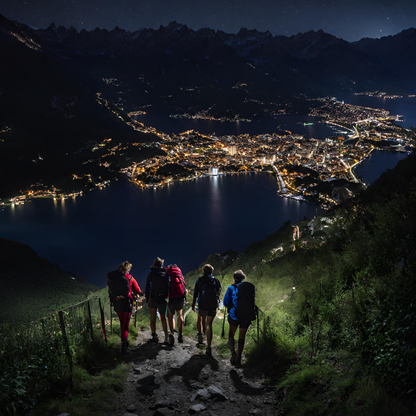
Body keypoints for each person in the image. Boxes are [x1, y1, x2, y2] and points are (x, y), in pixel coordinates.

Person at [108, 261, 142, 354]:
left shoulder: (114, 278)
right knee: (126, 323)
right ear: (128, 269)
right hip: (127, 302)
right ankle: (124, 343)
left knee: (122, 321)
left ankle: (124, 341)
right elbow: (138, 290)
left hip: (116, 302)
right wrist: (139, 294)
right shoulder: (130, 278)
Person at [222, 270, 256, 366]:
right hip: (246, 316)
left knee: (231, 336)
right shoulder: (250, 287)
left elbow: (225, 303)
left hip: (234, 315)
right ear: (243, 278)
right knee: (242, 337)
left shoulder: (231, 288)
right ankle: (239, 357)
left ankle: (233, 353)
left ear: (234, 278)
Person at [191, 264, 221, 357]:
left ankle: (200, 335)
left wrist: (193, 304)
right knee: (209, 324)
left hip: (202, 305)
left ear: (203, 271)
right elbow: (219, 292)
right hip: (212, 305)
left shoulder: (200, 280)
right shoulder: (216, 281)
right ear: (212, 271)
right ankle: (208, 346)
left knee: (200, 319)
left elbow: (195, 293)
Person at [145, 257, 169, 343]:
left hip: (153, 298)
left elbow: (147, 288)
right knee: (163, 318)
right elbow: (167, 286)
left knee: (153, 318)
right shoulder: (165, 274)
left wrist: (147, 300)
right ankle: (166, 336)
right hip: (162, 299)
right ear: (161, 265)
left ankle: (154, 335)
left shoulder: (151, 274)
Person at [166, 264, 187, 345]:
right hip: (180, 298)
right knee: (180, 316)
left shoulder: (169, 275)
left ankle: (171, 333)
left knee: (170, 315)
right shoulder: (180, 274)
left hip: (172, 298)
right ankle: (180, 335)